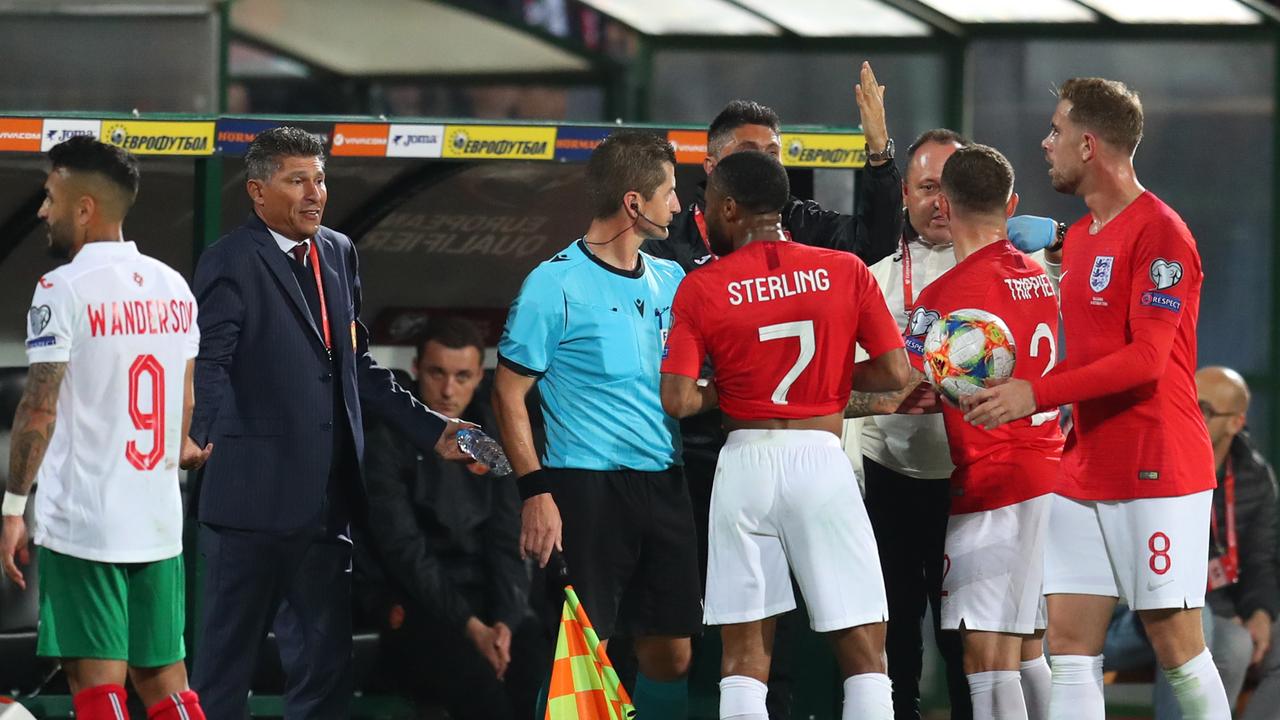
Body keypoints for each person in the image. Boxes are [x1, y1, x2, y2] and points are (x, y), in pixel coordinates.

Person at [643, 60, 903, 720]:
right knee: (865, 652)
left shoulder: (701, 285)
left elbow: (676, 399)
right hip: (821, 456)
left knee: (742, 657)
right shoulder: (842, 270)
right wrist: (819, 390)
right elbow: (898, 375)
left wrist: (736, 390)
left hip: (741, 461)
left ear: (728, 202)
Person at [963, 77, 1231, 719]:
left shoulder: (1163, 234)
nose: (1045, 142)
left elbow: (1145, 362)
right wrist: (1057, 243)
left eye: (1056, 131)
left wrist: (1036, 393)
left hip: (1155, 466)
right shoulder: (1080, 237)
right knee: (1070, 647)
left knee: (1176, 645)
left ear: (1088, 144)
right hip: (1082, 467)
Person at [186, 126, 474, 720]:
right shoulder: (230, 261)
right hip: (249, 506)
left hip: (327, 504)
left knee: (324, 673)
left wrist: (434, 428)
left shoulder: (339, 252)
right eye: (298, 180)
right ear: (258, 192)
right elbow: (209, 360)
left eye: (320, 179)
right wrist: (195, 435)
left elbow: (355, 366)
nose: (315, 193)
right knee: (223, 673)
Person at [845, 129, 1066, 720]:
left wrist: (824, 384)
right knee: (1023, 647)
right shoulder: (1039, 274)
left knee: (984, 654)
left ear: (946, 204)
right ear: (1012, 206)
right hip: (1046, 469)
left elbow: (899, 377)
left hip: (990, 481)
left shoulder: (944, 296)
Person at [493, 130, 698, 718]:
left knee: (673, 656)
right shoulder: (552, 284)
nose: (678, 206)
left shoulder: (671, 281)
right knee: (582, 655)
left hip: (664, 482)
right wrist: (536, 491)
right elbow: (508, 392)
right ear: (634, 203)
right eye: (670, 193)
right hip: (586, 489)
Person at [0, 137, 207, 720]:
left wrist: (13, 508)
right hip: (159, 521)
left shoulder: (61, 289)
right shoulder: (174, 287)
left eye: (50, 197)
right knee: (167, 683)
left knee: (97, 688)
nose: (42, 210)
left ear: (84, 208)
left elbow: (39, 407)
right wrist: (180, 446)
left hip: (87, 522)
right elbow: (183, 403)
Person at [356, 317, 547, 720]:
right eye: (437, 373)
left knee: (539, 670)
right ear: (415, 369)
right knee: (481, 691)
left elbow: (506, 537)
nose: (447, 390)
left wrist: (505, 624)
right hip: (416, 603)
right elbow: (404, 551)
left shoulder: (489, 433)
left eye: (462, 376)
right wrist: (472, 628)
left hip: (488, 600)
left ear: (480, 376)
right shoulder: (387, 435)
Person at [1104, 366, 1280, 719]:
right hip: (1130, 613)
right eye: (1185, 401)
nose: (1189, 414)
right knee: (1208, 628)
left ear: (1235, 422)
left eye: (1205, 408)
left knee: (1241, 640)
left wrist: (1260, 613)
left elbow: (1260, 558)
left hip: (1213, 608)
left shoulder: (1252, 476)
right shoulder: (1151, 458)